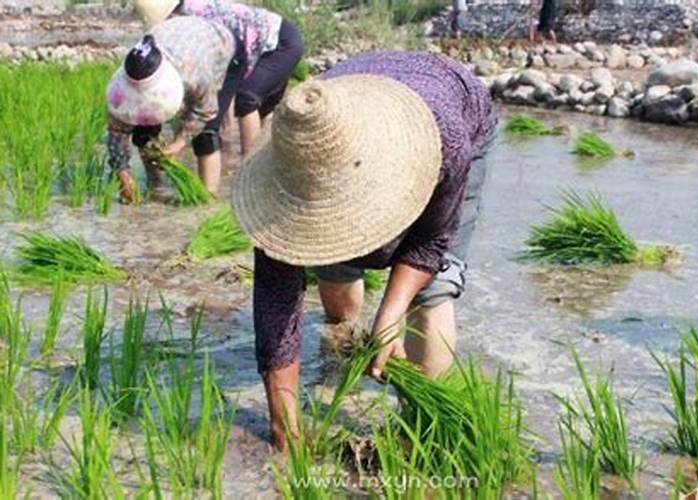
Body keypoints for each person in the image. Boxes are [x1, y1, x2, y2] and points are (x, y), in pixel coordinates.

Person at [231, 51, 499, 450]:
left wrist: (390, 314)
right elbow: (275, 305)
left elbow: (431, 241)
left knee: (431, 292)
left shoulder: (446, 139)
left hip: (442, 114)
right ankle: (348, 343)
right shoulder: (290, 156)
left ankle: (422, 430)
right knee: (329, 258)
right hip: (349, 109)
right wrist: (284, 427)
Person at [134, 0, 304, 156]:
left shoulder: (191, 19)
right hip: (254, 45)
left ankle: (249, 167)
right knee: (239, 102)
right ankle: (241, 153)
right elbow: (225, 66)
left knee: (246, 101)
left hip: (279, 42)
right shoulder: (188, 11)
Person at [106, 16, 238, 202]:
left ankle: (207, 198)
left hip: (221, 47)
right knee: (144, 132)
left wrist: (179, 143)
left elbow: (205, 111)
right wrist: (123, 174)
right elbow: (116, 132)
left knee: (206, 134)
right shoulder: (126, 80)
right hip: (175, 38)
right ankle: (156, 185)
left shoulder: (193, 74)